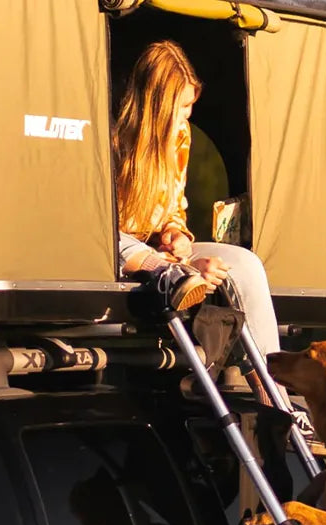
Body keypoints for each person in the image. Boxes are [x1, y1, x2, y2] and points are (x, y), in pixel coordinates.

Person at [112, 40, 281, 358]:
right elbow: (101, 227)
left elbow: (174, 209)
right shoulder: (112, 139)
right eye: (182, 107)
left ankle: (275, 393)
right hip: (119, 252)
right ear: (157, 106)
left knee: (246, 264)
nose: (188, 116)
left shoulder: (180, 137)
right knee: (112, 240)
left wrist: (176, 235)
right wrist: (177, 264)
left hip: (160, 255)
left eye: (191, 105)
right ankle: (172, 274)